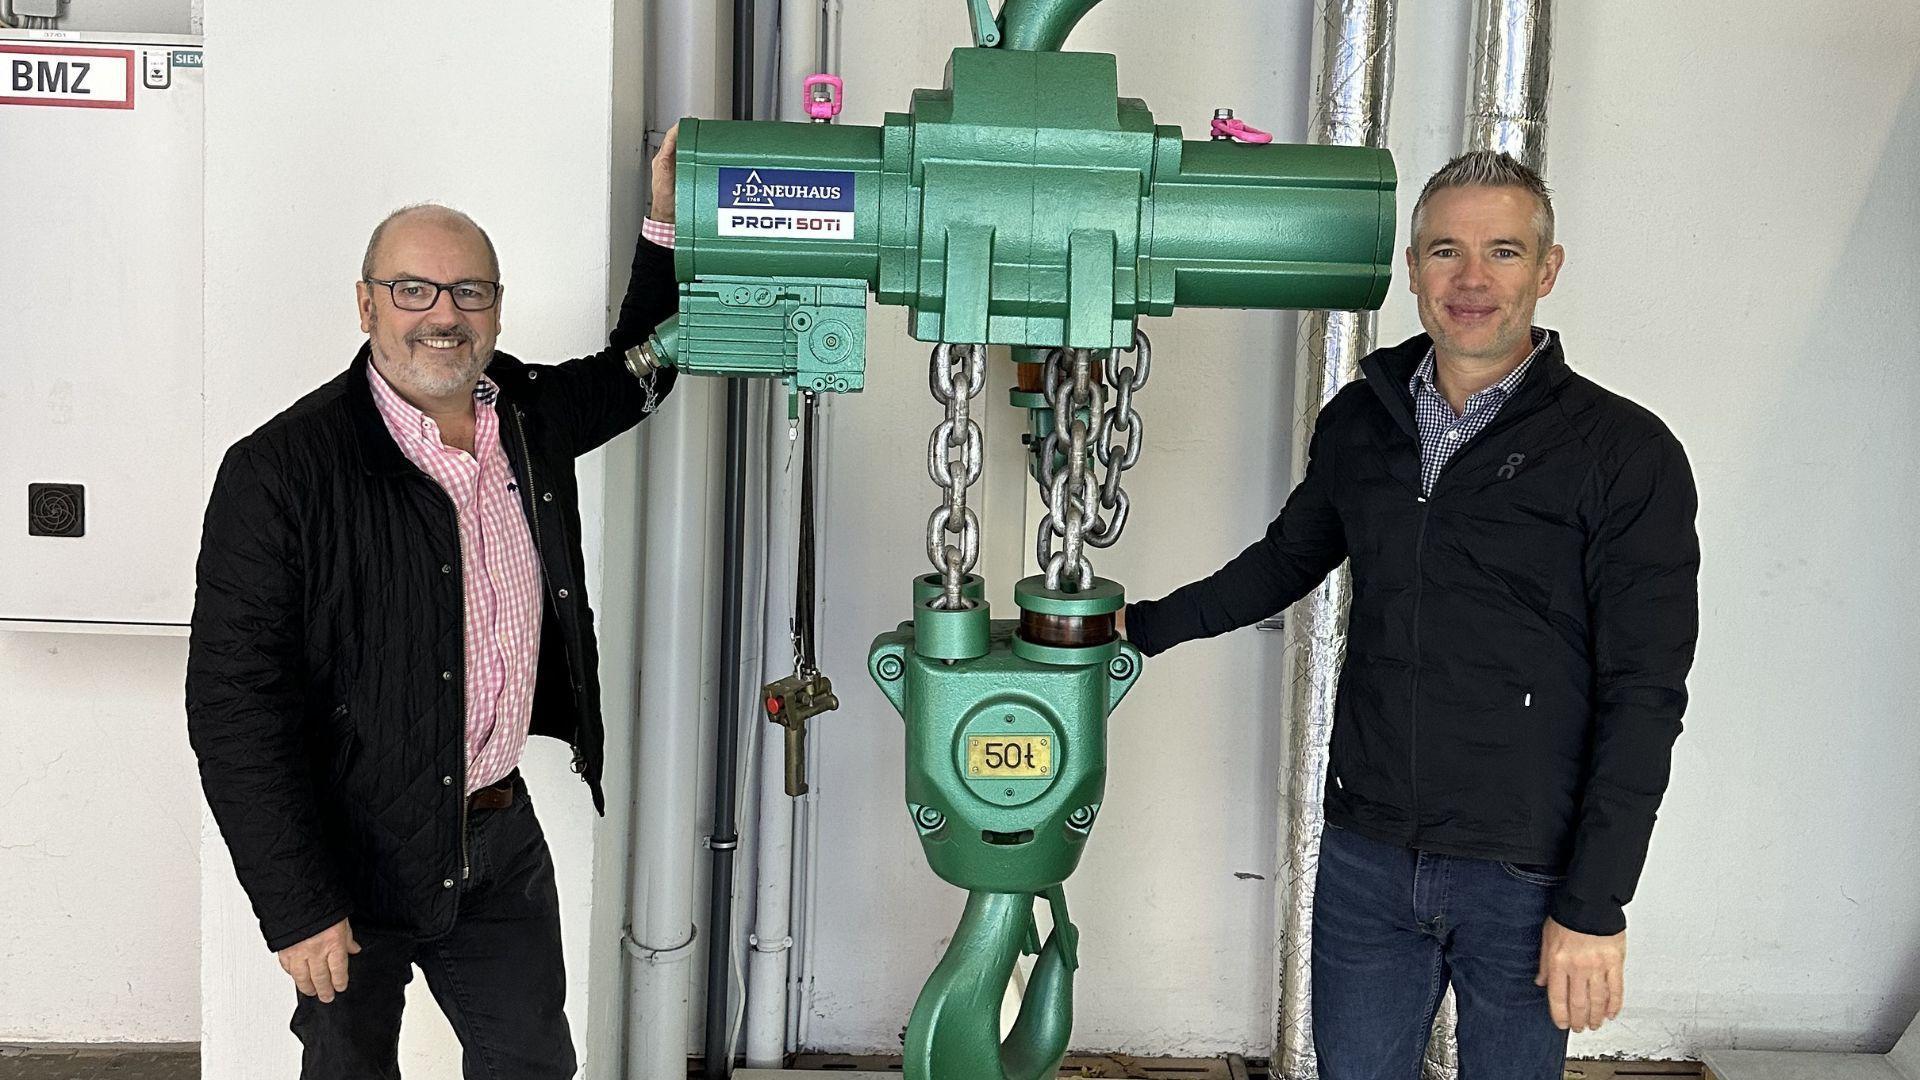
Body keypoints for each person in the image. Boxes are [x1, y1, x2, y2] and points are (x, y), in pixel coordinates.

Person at [1120, 150, 1699, 1077]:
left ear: (1546, 271)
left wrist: (1595, 903)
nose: (1472, 280)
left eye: (1503, 252)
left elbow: (1646, 692)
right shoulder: (1364, 421)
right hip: (1370, 855)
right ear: (1413, 269)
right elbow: (1285, 561)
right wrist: (1138, 629)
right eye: (1445, 251)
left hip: (1526, 869)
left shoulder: (1622, 452)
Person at [186, 127, 684, 1078]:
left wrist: (664, 215)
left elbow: (643, 369)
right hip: (351, 851)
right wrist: (296, 905)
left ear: (496, 307)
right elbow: (232, 705)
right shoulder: (279, 472)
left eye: (470, 292)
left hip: (497, 837)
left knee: (532, 1066)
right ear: (366, 303)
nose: (443, 315)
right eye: (413, 289)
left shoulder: (526, 416)